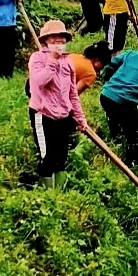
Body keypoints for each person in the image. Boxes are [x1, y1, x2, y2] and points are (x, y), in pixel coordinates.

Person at [28, 20, 89, 189]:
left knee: (61, 157)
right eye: (54, 38)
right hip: (43, 114)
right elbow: (40, 81)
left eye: (61, 38)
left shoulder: (68, 61)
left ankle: (59, 194)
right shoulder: (37, 58)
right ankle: (48, 197)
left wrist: (80, 117)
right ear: (46, 40)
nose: (58, 42)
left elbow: (72, 93)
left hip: (63, 115)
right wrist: (53, 60)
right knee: (48, 157)